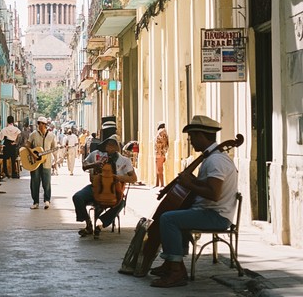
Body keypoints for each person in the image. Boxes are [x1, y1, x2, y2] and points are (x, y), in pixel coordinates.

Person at [150, 115, 238, 288]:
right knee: (178, 213)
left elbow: (214, 194)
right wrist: (192, 182)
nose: (190, 141)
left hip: (216, 215)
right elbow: (207, 185)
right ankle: (171, 263)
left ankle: (176, 271)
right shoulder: (211, 158)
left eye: (192, 137)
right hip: (207, 211)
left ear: (201, 136)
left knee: (168, 219)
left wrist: (190, 183)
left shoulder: (216, 160)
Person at [72, 134, 137, 237]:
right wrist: (94, 165)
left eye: (113, 145)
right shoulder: (96, 154)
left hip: (115, 191)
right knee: (77, 197)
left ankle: (101, 224)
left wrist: (118, 178)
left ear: (117, 147)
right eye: (108, 144)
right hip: (96, 187)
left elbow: (133, 178)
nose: (109, 147)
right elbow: (84, 166)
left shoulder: (125, 161)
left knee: (121, 203)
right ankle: (88, 224)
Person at [25, 116, 57, 209]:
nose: (40, 125)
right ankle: (35, 202)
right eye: (39, 123)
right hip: (35, 163)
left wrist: (54, 158)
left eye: (42, 124)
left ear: (45, 125)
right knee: (34, 182)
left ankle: (47, 200)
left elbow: (54, 148)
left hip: (46, 162)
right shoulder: (33, 134)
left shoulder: (51, 135)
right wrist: (33, 154)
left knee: (46, 182)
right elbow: (27, 144)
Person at [155, 121, 169, 187]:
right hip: (160, 152)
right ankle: (157, 184)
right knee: (158, 168)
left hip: (160, 153)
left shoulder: (161, 132)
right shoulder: (163, 132)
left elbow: (163, 142)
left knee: (159, 169)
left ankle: (161, 184)